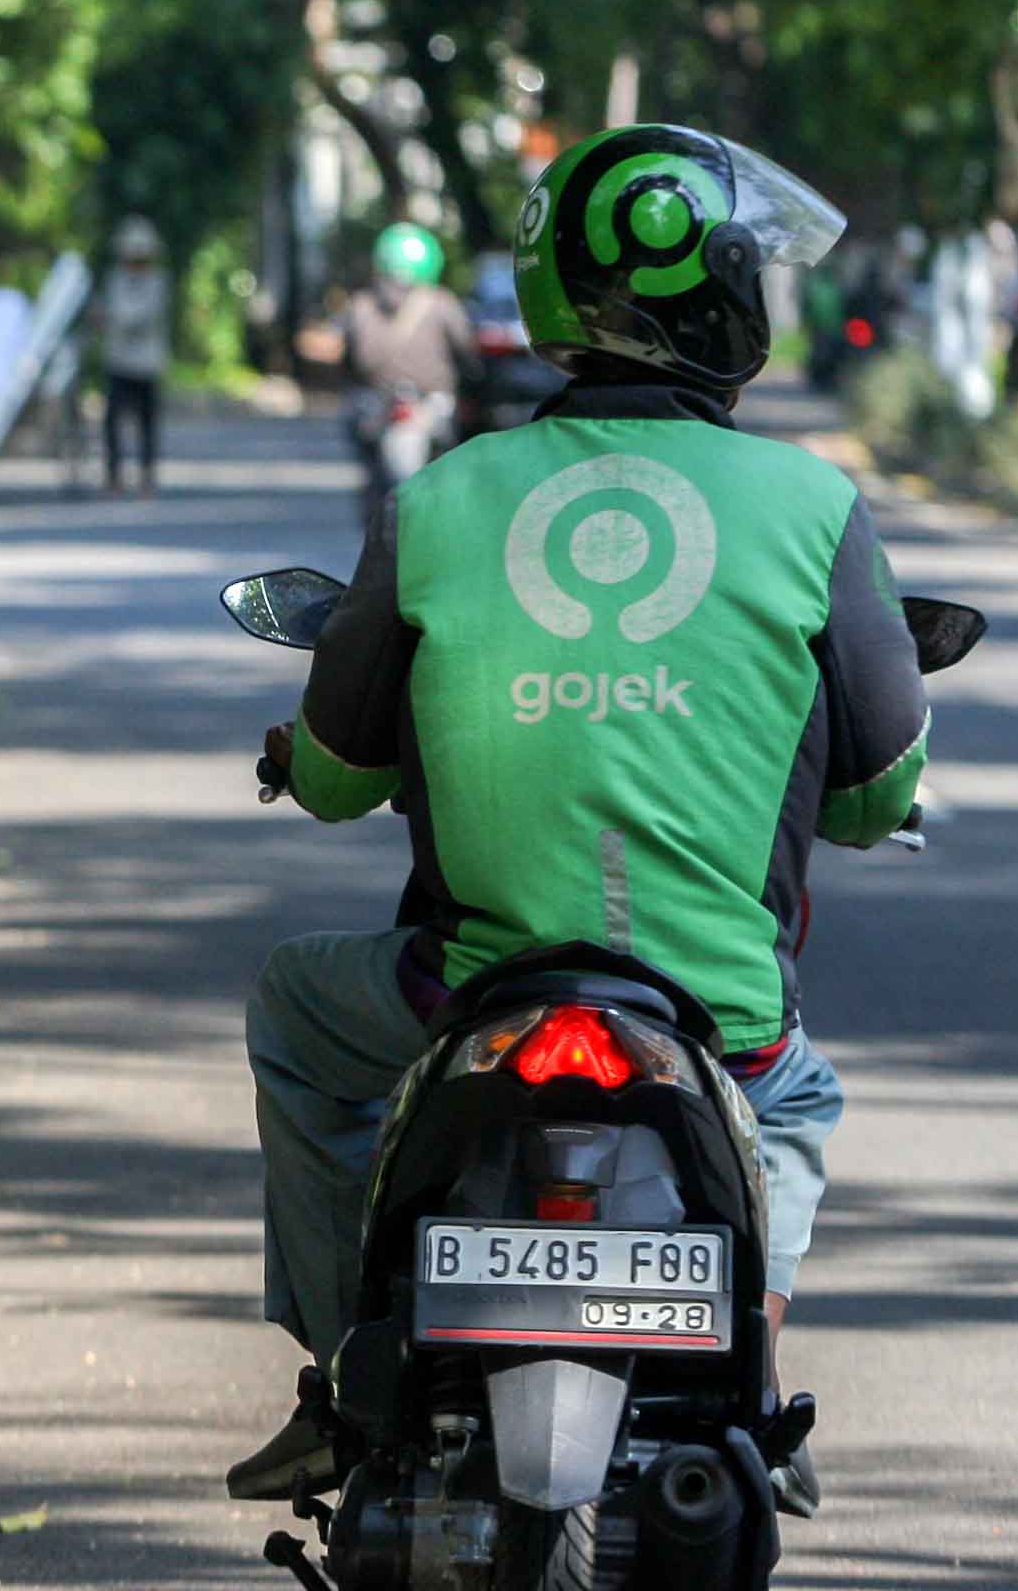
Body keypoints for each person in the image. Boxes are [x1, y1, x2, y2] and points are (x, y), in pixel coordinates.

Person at [228, 126, 927, 1520]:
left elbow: (342, 769)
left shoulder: (435, 499)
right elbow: (874, 797)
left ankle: (332, 1379)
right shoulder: (817, 508)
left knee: (298, 1012)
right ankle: (754, 1371)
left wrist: (293, 765)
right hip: (717, 1019)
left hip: (466, 993)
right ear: (723, 293)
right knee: (799, 1096)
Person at [335, 219, 475, 519]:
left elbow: (347, 363)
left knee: (369, 461)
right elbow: (466, 353)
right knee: (450, 460)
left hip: (377, 405)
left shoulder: (360, 305)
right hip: (431, 402)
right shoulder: (443, 304)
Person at [91, 217, 174, 496]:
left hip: (147, 363)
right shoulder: (115, 279)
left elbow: (142, 317)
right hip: (118, 361)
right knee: (112, 422)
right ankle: (113, 476)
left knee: (146, 423)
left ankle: (147, 477)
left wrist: (111, 317)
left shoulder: (157, 282)